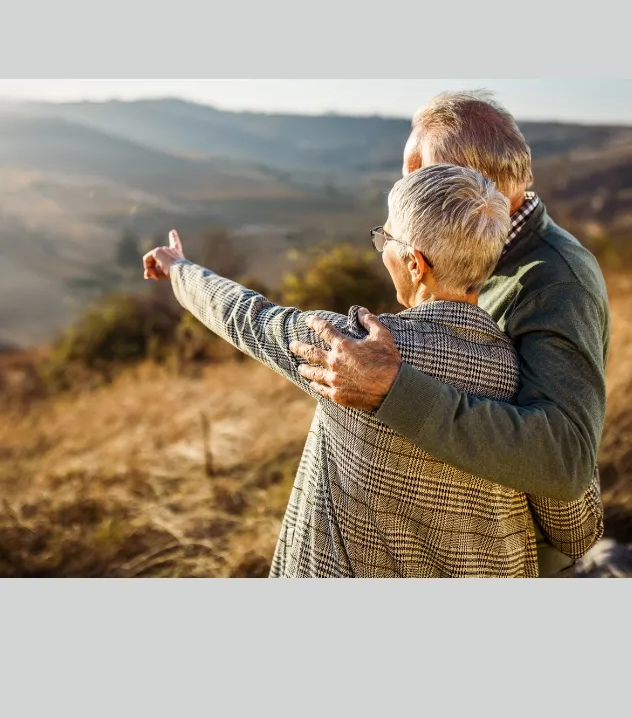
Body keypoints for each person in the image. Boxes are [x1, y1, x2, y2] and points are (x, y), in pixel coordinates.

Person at [143, 164, 541, 577]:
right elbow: (569, 519)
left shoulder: (351, 348)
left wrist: (179, 269)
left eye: (384, 238)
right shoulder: (525, 372)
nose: (380, 247)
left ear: (415, 264)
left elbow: (248, 318)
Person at [289, 91, 608, 576]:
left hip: (514, 556)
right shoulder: (472, 252)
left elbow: (564, 460)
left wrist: (394, 391)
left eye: (419, 173)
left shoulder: (558, 281)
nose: (404, 189)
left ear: (474, 187)